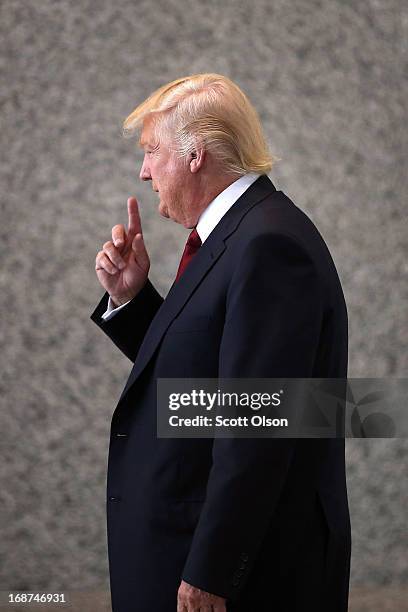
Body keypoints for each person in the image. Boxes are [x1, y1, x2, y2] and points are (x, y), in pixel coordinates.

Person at [91, 73, 351, 612]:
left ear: (194, 155)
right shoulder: (239, 235)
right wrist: (134, 300)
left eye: (152, 151)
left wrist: (214, 569)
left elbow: (258, 425)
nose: (143, 171)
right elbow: (211, 380)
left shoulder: (268, 244)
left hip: (240, 577)